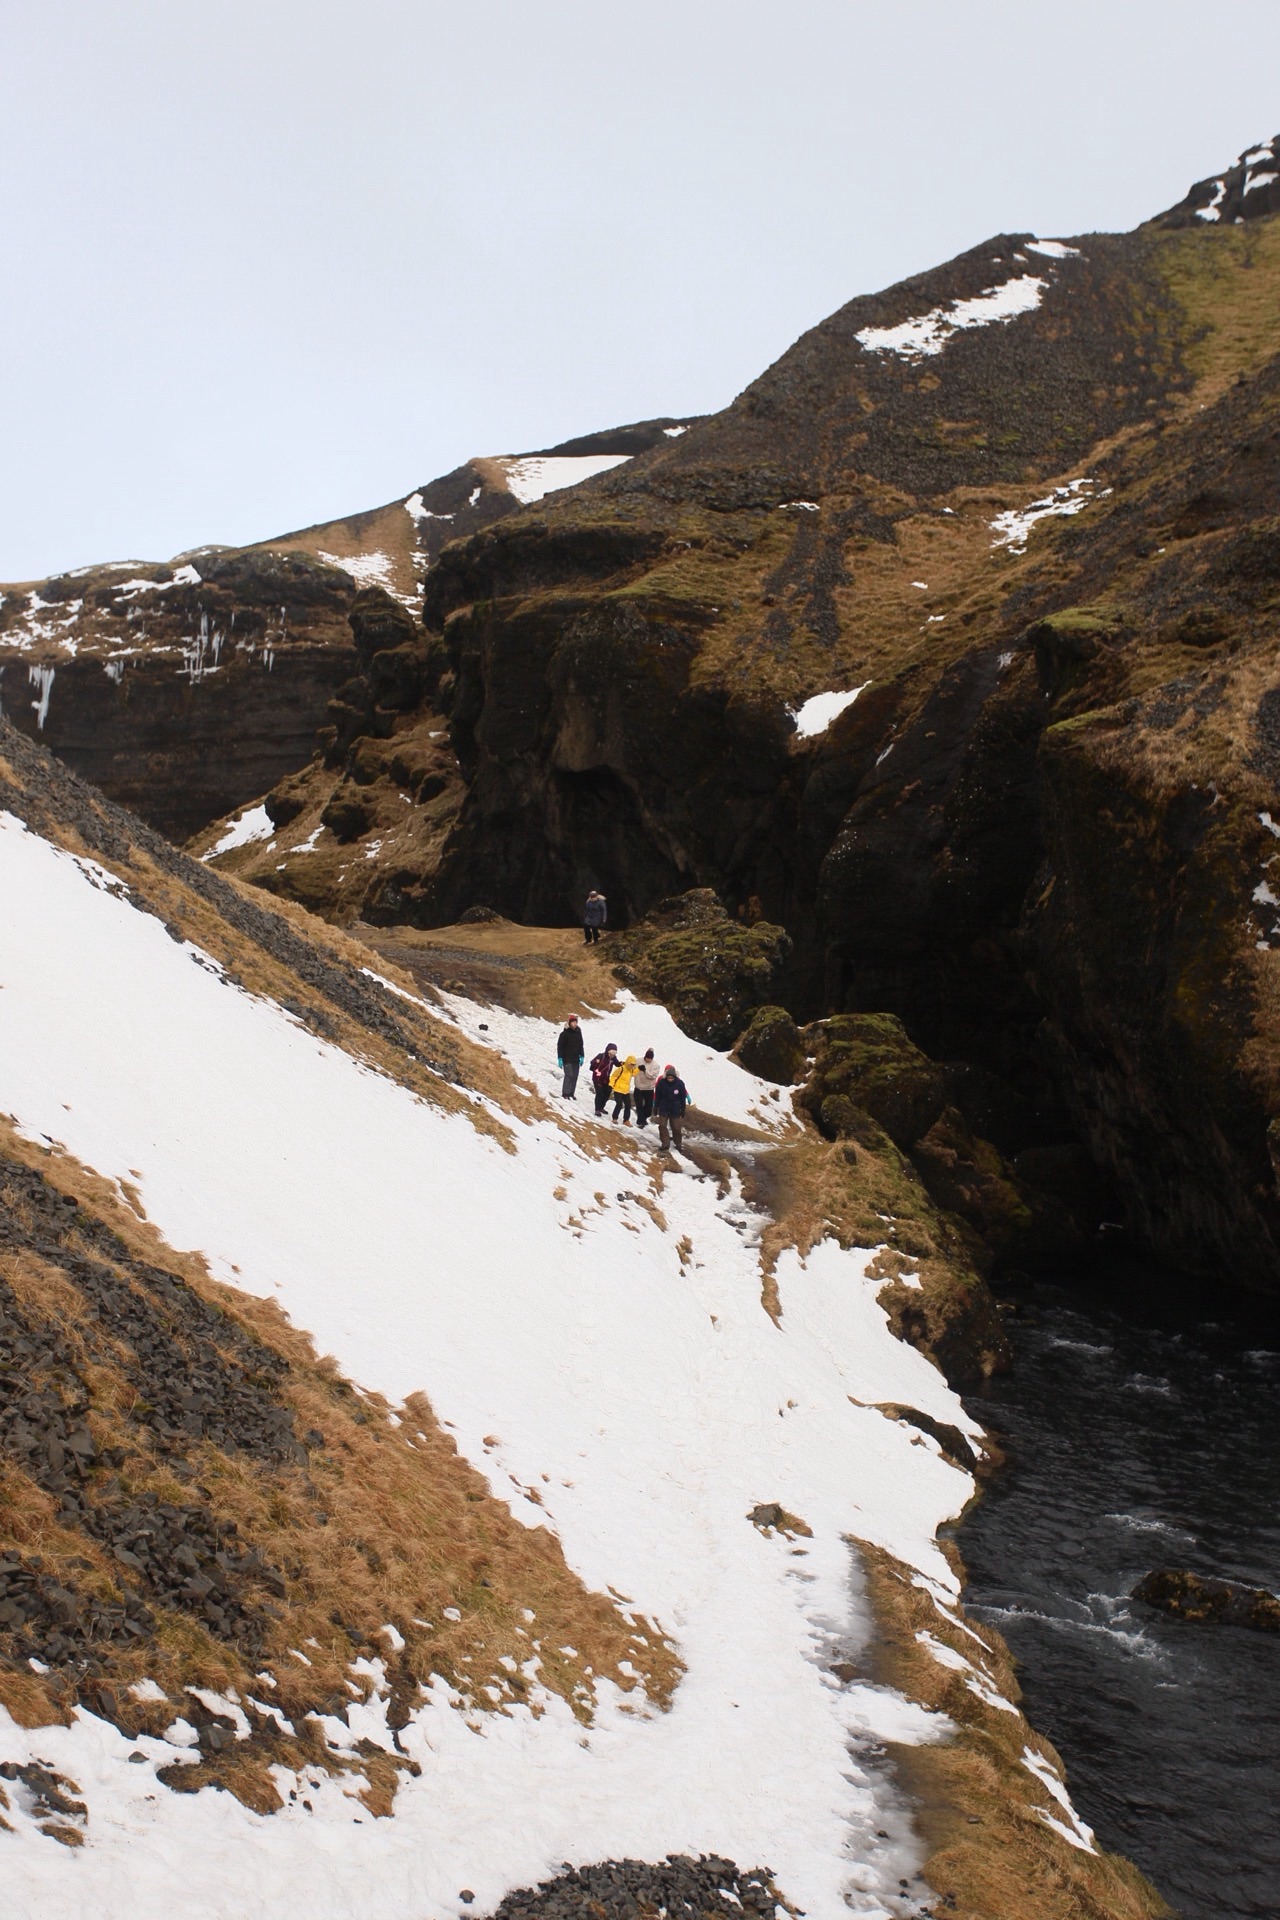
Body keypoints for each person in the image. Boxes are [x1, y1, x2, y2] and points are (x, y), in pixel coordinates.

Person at [654, 1064, 691, 1152]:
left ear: (674, 1077)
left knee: (676, 1127)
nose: (670, 1079)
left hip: (675, 1108)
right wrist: (655, 1106)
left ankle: (678, 1143)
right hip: (664, 1107)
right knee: (662, 1126)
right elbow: (657, 1095)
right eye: (668, 1078)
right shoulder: (661, 1083)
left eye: (671, 1078)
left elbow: (682, 1097)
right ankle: (665, 1143)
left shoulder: (680, 1084)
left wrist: (683, 1109)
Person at [557, 1013, 585, 1099]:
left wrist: (582, 1055)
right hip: (567, 1058)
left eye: (575, 1022)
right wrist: (560, 1058)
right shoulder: (564, 1034)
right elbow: (560, 1046)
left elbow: (581, 1045)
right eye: (573, 1022)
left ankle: (571, 1093)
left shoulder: (578, 1032)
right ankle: (565, 1093)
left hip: (576, 1058)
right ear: (569, 1023)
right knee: (569, 1075)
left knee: (575, 1076)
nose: (574, 1024)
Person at [608, 1053, 638, 1124]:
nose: (632, 1066)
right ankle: (615, 1118)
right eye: (631, 1064)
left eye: (634, 1065)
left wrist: (639, 1069)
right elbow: (613, 1076)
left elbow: (634, 1073)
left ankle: (626, 1120)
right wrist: (611, 1084)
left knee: (628, 1105)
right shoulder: (621, 1069)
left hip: (625, 1091)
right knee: (619, 1104)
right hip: (618, 1089)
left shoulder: (631, 1071)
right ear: (628, 1063)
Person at [589, 1042, 618, 1115]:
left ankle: (601, 1107)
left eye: (614, 1053)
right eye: (611, 1053)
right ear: (608, 1051)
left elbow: (617, 1064)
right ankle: (597, 1109)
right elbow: (592, 1062)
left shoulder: (613, 1058)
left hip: (606, 1079)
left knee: (607, 1093)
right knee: (599, 1093)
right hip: (597, 1078)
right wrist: (596, 1062)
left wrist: (624, 1063)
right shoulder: (601, 1056)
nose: (612, 1055)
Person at [633, 1050, 658, 1128]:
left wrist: (645, 1070)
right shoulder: (638, 1061)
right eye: (647, 1058)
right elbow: (632, 1071)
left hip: (649, 1089)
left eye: (650, 1059)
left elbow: (652, 1076)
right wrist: (637, 1069)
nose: (648, 1060)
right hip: (638, 1087)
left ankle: (643, 1118)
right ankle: (640, 1121)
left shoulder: (655, 1065)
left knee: (648, 1107)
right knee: (639, 1105)